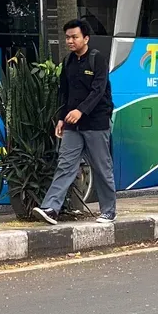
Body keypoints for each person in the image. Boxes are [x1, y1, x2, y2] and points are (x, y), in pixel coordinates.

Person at [33, 19, 116, 225]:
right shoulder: (68, 62)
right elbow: (64, 93)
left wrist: (81, 111)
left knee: (101, 167)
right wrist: (61, 118)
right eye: (68, 37)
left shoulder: (98, 60)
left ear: (85, 38)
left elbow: (98, 91)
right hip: (72, 123)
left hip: (96, 122)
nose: (70, 41)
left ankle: (108, 211)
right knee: (65, 164)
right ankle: (51, 208)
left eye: (74, 37)